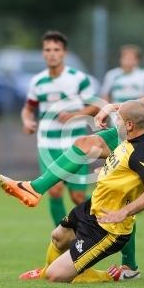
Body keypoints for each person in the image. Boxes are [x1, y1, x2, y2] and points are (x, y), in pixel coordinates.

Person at [0, 5, 144, 278]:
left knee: (115, 198)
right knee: (84, 144)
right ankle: (35, 188)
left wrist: (112, 106)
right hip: (139, 131)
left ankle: (127, 266)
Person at [0, 100, 144, 283]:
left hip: (107, 227)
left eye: (118, 118)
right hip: (92, 207)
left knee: (57, 276)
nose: (114, 122)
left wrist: (123, 212)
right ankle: (45, 270)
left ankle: (109, 276)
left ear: (130, 125)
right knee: (58, 238)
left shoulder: (140, 152)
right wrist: (111, 172)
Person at [18, 31, 98, 227]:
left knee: (78, 195)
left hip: (75, 145)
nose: (52, 53)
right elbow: (28, 109)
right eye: (47, 50)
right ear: (43, 53)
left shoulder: (78, 78)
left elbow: (95, 105)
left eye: (56, 49)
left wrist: (74, 115)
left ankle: (98, 220)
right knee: (54, 190)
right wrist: (27, 122)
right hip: (48, 146)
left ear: (64, 53)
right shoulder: (37, 81)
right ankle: (62, 236)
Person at [101, 44, 144, 124]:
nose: (129, 61)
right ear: (120, 59)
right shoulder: (112, 75)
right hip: (117, 116)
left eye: (132, 58)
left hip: (139, 116)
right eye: (126, 58)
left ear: (137, 60)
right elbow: (105, 95)